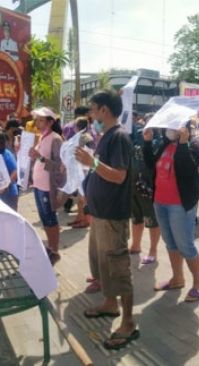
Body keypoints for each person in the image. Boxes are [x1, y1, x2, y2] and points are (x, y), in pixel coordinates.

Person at [75, 90, 138, 350]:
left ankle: (129, 323)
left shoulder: (120, 137)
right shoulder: (106, 136)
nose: (91, 114)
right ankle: (110, 305)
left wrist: (92, 162)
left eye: (93, 108)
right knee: (103, 265)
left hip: (113, 216)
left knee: (117, 268)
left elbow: (119, 176)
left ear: (104, 110)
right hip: (100, 214)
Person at [143, 122, 199, 302]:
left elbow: (187, 168)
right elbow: (150, 165)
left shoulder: (194, 145)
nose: (169, 129)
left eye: (174, 126)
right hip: (160, 202)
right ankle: (177, 278)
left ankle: (198, 283)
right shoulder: (164, 143)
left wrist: (184, 143)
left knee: (185, 244)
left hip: (180, 205)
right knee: (170, 242)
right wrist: (148, 143)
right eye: (169, 126)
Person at [29, 107, 66, 264]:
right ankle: (51, 249)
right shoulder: (42, 137)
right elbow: (37, 159)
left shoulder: (56, 139)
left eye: (41, 120)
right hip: (38, 185)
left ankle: (54, 250)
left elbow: (60, 166)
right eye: (37, 120)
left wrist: (40, 158)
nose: (38, 122)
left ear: (51, 122)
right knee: (44, 219)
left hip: (47, 187)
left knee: (50, 219)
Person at [128, 112, 160, 265]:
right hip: (133, 184)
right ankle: (136, 245)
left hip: (148, 186)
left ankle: (153, 250)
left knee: (152, 219)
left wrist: (150, 140)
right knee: (136, 217)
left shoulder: (159, 139)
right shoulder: (135, 135)